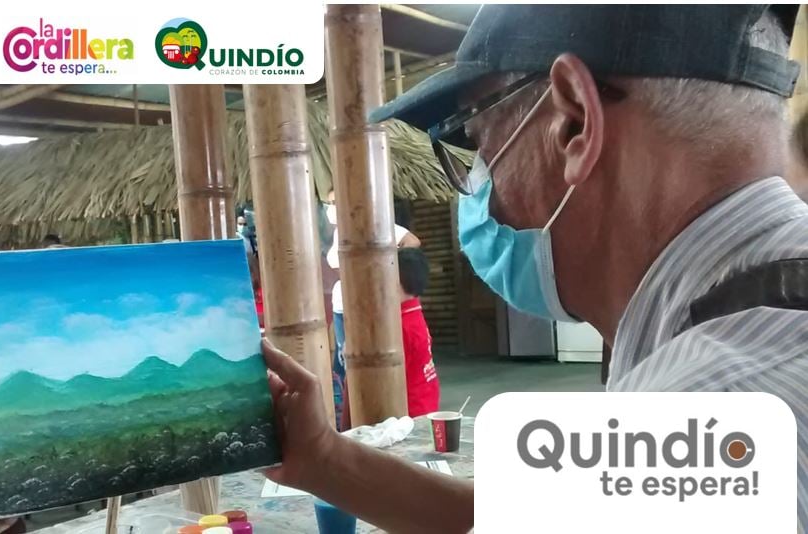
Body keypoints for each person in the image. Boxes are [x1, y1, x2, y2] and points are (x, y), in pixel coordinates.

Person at [263, 5, 808, 532]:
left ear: (574, 122)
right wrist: (322, 458)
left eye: (477, 142)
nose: (481, 193)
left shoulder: (700, 418)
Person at [324, 189, 420, 425]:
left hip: (362, 305)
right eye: (329, 202)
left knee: (361, 363)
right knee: (343, 363)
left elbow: (412, 242)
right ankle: (348, 417)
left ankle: (366, 415)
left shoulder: (374, 225)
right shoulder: (337, 233)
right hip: (341, 305)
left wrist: (384, 269)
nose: (332, 208)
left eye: (336, 201)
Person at [396, 248, 439, 418]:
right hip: (425, 401)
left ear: (395, 281)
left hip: (411, 412)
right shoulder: (413, 313)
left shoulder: (401, 325)